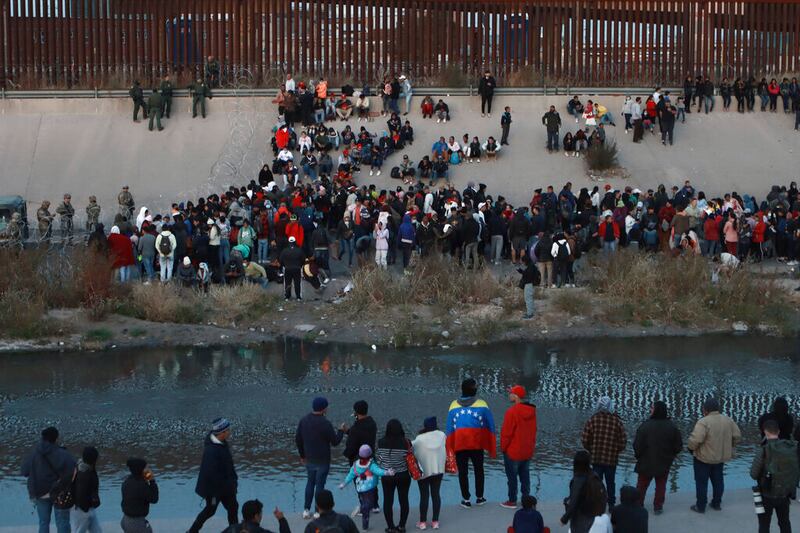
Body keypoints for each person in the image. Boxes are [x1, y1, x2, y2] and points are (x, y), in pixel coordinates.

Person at [446, 377, 496, 508]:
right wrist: (490, 442)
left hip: (460, 445)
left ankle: (466, 499)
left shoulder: (453, 405)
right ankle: (480, 497)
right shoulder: (482, 404)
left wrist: (449, 446)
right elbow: (490, 424)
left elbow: (450, 427)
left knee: (463, 472)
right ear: (474, 390)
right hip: (477, 444)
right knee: (479, 470)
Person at [687, 397, 742, 513]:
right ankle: (716, 503)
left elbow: (696, 440)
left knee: (701, 483)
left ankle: (701, 506)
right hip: (720, 458)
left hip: (703, 458)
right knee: (718, 481)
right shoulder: (728, 420)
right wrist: (730, 445)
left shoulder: (703, 422)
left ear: (705, 410)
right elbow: (737, 436)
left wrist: (691, 449)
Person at [295, 396, 345, 519]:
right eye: (326, 407)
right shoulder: (325, 423)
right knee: (320, 485)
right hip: (323, 460)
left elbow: (298, 439)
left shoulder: (304, 420)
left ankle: (306, 510)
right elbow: (335, 442)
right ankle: (318, 511)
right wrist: (341, 431)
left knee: (310, 483)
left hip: (309, 459)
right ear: (323, 409)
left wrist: (302, 455)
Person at [21, 426, 76, 533]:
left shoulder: (33, 454)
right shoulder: (63, 454)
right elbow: (73, 470)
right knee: (62, 522)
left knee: (43, 522)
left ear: (42, 437)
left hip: (39, 492)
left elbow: (24, 472)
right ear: (56, 438)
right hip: (59, 492)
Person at [188, 418, 239, 533]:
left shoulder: (222, 444)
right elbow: (210, 474)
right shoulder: (212, 450)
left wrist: (233, 482)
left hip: (227, 487)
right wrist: (226, 486)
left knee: (233, 508)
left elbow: (228, 466)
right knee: (210, 510)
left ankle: (234, 530)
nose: (229, 432)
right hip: (214, 490)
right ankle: (192, 531)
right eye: (228, 430)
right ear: (222, 432)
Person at [633, 400, 682, 514]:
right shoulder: (672, 427)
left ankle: (638, 504)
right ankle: (658, 506)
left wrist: (639, 456)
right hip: (664, 461)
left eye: (652, 408)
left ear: (655, 410)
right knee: (661, 485)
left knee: (642, 485)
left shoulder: (645, 426)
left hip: (646, 461)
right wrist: (671, 455)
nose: (650, 410)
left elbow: (637, 445)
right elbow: (678, 446)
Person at [750, 419, 799, 533]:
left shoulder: (763, 449)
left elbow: (753, 474)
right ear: (779, 431)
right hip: (785, 492)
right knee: (784, 522)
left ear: (765, 432)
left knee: (764, 524)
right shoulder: (790, 447)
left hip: (766, 494)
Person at [581, 396, 626, 507]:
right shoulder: (617, 421)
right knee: (611, 483)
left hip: (596, 458)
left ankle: (598, 504)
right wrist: (615, 450)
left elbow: (585, 440)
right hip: (611, 460)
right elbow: (623, 442)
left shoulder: (593, 420)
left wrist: (591, 449)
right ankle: (611, 504)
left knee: (596, 483)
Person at [340, 445, 394, 531]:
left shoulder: (356, 465)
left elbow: (351, 475)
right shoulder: (371, 465)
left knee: (364, 501)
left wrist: (344, 483)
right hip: (370, 488)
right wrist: (387, 472)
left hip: (360, 488)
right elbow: (378, 471)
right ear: (370, 455)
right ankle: (364, 519)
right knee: (368, 504)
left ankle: (362, 508)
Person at [500, 385, 538, 509]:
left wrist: (503, 448)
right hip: (527, 450)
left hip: (513, 451)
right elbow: (534, 430)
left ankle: (512, 501)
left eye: (510, 393)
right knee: (525, 476)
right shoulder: (531, 411)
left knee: (512, 477)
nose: (509, 395)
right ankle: (526, 499)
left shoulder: (511, 412)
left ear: (516, 396)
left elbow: (506, 433)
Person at [376, 420, 411, 532]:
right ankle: (402, 526)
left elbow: (379, 459)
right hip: (403, 475)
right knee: (404, 500)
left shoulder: (381, 442)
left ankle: (390, 527)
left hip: (387, 476)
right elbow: (410, 458)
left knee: (387, 501)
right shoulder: (406, 442)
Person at [412, 417, 446, 531]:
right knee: (436, 494)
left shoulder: (420, 438)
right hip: (438, 470)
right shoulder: (442, 435)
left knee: (424, 496)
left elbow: (412, 448)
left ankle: (422, 522)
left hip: (424, 472)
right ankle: (435, 522)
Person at [560, 450, 602, 533]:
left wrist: (564, 519)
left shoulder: (578, 480)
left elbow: (574, 502)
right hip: (593, 514)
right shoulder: (594, 475)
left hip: (581, 517)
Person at [120, 457, 159, 533]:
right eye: (146, 468)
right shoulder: (141, 485)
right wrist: (152, 480)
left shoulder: (127, 481)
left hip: (125, 520)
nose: (148, 470)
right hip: (137, 524)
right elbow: (154, 499)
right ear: (141, 470)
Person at [72, 446, 101, 533]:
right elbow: (81, 493)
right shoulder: (85, 473)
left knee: (96, 531)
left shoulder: (83, 468)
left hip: (86, 508)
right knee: (80, 530)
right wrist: (85, 509)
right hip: (83, 509)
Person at [222, 500, 291, 533]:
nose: (261, 516)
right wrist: (281, 519)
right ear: (256, 516)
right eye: (261, 513)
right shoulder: (259, 531)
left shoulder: (231, 528)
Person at [279, 235, 305, 300]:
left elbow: (281, 259)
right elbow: (303, 259)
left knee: (287, 283)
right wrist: (300, 265)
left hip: (287, 268)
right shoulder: (299, 250)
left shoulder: (284, 250)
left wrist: (284, 266)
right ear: (295, 241)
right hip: (297, 268)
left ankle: (287, 296)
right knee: (297, 282)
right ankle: (298, 296)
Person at [517, 255, 540, 319]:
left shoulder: (530, 267)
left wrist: (521, 272)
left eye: (523, 261)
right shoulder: (532, 266)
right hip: (531, 284)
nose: (523, 263)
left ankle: (529, 314)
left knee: (528, 299)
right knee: (530, 299)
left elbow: (527, 276)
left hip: (528, 285)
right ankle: (530, 312)